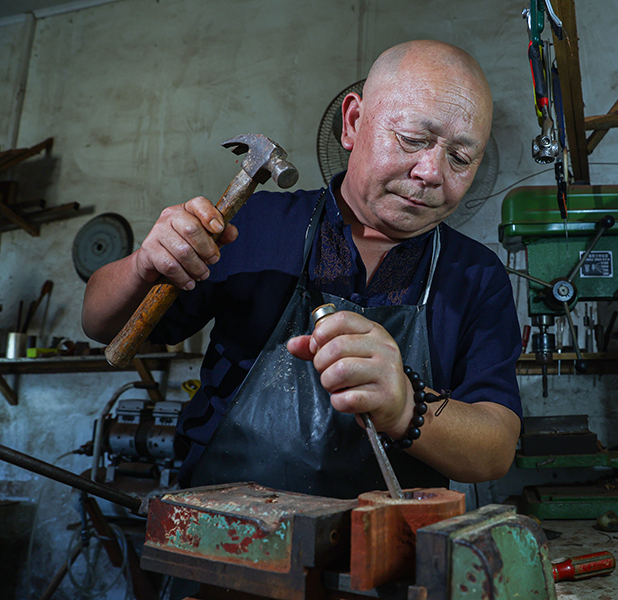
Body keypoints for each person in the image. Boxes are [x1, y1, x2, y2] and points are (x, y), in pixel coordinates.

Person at [82, 40, 522, 499]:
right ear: (352, 123)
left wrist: (406, 407)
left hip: (385, 554)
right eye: (413, 139)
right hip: (225, 538)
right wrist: (141, 265)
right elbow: (99, 323)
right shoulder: (251, 227)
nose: (431, 172)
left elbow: (495, 449)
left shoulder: (476, 275)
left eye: (460, 158)